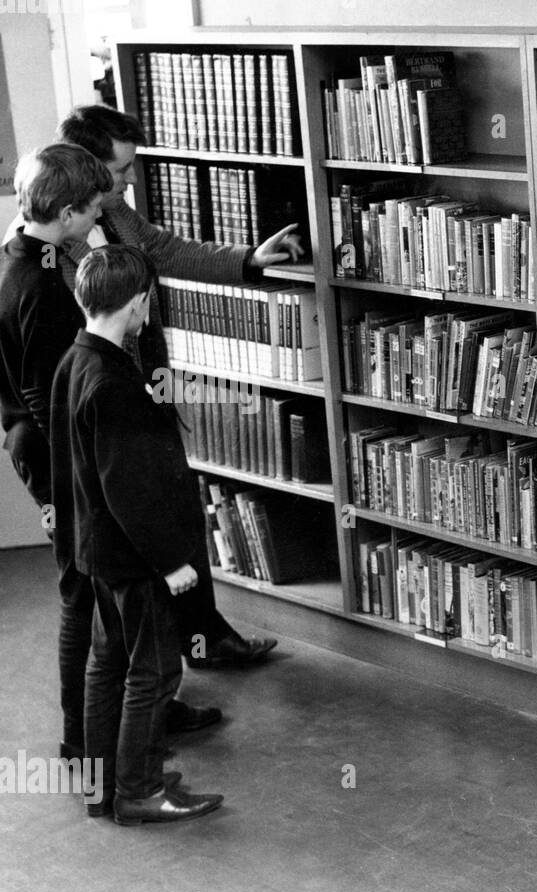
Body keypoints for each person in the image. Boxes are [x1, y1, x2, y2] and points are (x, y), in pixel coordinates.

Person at [55, 104, 298, 668]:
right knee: (130, 540)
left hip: (145, 386)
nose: (130, 180)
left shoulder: (115, 213)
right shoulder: (49, 250)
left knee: (176, 506)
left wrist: (249, 260)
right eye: (120, 169)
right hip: (103, 404)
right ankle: (151, 684)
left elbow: (165, 250)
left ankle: (203, 639)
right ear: (85, 168)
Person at [0, 144, 219, 763]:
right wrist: (70, 488)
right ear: (67, 214)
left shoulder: (15, 259)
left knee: (99, 617)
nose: (103, 211)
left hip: (54, 458)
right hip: (61, 465)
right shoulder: (44, 289)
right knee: (87, 605)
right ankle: (96, 747)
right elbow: (52, 401)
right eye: (94, 206)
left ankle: (112, 735)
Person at [50, 244, 223, 825]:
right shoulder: (115, 382)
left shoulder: (73, 363)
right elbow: (129, 490)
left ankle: (104, 787)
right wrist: (171, 561)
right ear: (136, 304)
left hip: (93, 553)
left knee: (107, 663)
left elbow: (70, 470)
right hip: (133, 558)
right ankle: (141, 790)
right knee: (156, 670)